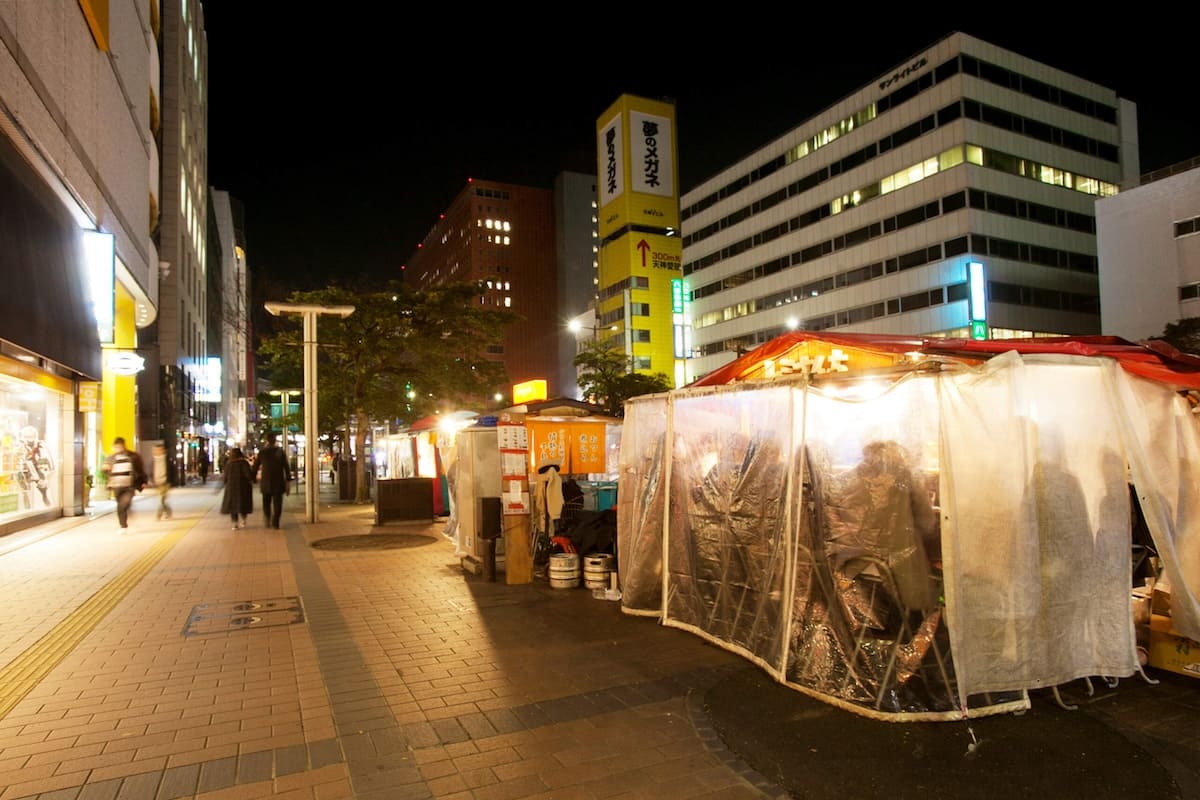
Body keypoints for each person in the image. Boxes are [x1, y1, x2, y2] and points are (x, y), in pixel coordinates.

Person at [101, 437, 147, 530]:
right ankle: (123, 524)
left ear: (124, 446)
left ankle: (123, 525)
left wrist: (143, 481)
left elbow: (140, 470)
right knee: (120, 506)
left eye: (120, 447)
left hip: (129, 486)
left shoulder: (133, 457)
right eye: (116, 447)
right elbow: (105, 471)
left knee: (124, 504)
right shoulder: (111, 457)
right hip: (116, 485)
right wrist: (105, 469)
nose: (118, 449)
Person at [253, 432, 291, 529]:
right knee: (278, 502)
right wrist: (288, 480)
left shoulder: (262, 452)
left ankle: (267, 518)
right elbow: (286, 467)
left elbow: (255, 466)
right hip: (278, 481)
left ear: (267, 441)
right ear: (275, 441)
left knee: (266, 502)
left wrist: (253, 478)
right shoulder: (280, 452)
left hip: (266, 481)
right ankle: (276, 521)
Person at [220, 447, 254, 529]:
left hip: (231, 487)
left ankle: (235, 523)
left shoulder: (229, 463)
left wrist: (225, 483)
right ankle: (243, 520)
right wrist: (251, 480)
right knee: (243, 504)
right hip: (243, 487)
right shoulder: (244, 463)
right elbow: (248, 475)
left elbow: (225, 477)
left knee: (233, 507)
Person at [151, 442, 173, 520]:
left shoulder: (167, 460)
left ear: (163, 450)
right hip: (157, 482)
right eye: (155, 450)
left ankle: (159, 514)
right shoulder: (153, 461)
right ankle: (168, 511)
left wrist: (172, 481)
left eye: (159, 450)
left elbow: (172, 471)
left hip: (165, 482)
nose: (156, 452)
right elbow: (152, 471)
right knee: (162, 499)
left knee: (162, 499)